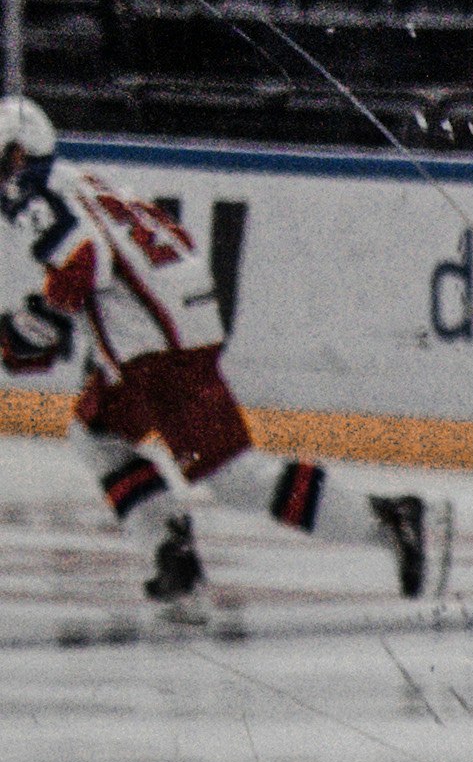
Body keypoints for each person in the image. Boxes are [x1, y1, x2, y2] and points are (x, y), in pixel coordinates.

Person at [5, 96, 442, 615]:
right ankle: (172, 551)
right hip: (169, 327)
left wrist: (41, 320)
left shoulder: (26, 189)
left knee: (234, 479)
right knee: (96, 434)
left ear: (15, 153)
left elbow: (83, 258)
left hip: (156, 345)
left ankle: (386, 520)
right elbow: (158, 243)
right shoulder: (78, 179)